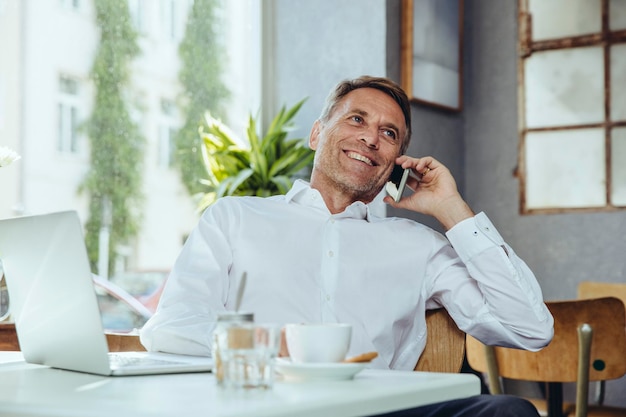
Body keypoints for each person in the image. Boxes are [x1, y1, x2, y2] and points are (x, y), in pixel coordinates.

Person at [140, 75, 553, 417]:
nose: (371, 138)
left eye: (388, 133)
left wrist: (453, 210)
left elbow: (530, 329)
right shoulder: (233, 218)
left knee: (509, 412)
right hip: (261, 405)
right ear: (317, 133)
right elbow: (172, 327)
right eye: (357, 119)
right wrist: (277, 345)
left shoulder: (420, 247)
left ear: (396, 162)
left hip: (378, 410)